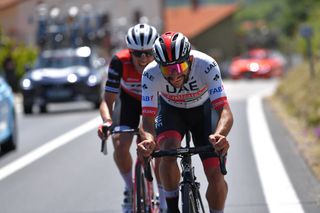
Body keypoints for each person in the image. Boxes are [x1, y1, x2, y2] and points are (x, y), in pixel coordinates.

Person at [137, 31, 234, 213]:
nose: (174, 76)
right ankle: (172, 209)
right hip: (172, 111)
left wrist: (220, 136)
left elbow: (225, 111)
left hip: (203, 111)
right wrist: (149, 140)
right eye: (167, 70)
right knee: (167, 150)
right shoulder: (150, 74)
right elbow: (148, 119)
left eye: (179, 67)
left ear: (189, 59)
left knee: (216, 176)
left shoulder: (207, 65)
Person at [97, 23, 167, 213]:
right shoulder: (119, 62)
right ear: (130, 51)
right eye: (137, 53)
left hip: (154, 101)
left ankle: (163, 193)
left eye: (148, 52)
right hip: (129, 100)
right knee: (120, 144)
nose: (143, 58)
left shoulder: (162, 61)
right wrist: (107, 122)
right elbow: (107, 101)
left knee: (159, 147)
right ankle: (130, 188)